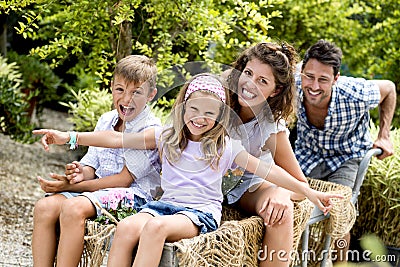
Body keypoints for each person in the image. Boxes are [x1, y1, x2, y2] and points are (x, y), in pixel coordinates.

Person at [33, 73, 342, 267]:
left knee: (155, 229)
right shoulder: (167, 137)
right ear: (182, 108)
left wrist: (308, 191)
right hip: (162, 206)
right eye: (193, 109)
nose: (200, 117)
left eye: (210, 112)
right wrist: (69, 137)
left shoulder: (226, 147)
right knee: (127, 228)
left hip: (199, 213)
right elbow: (115, 137)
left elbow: (272, 172)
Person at [31, 55, 162, 267]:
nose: (127, 99)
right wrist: (80, 172)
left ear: (151, 95)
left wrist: (75, 186)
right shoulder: (106, 119)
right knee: (44, 207)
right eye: (120, 90)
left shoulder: (151, 130)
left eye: (136, 92)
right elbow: (92, 162)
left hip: (135, 197)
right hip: (97, 191)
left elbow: (122, 181)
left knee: (73, 208)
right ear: (111, 88)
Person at [293, 39, 396, 262]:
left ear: (336, 79)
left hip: (346, 157)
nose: (314, 86)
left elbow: (389, 88)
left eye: (323, 80)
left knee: (340, 210)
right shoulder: (292, 84)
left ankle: (340, 264)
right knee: (285, 198)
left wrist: (384, 135)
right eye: (309, 76)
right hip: (307, 152)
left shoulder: (355, 93)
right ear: (302, 71)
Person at [223, 41, 309, 266]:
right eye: (248, 73)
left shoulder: (271, 128)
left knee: (281, 211)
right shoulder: (218, 99)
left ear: (276, 90)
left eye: (262, 81)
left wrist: (282, 192)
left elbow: (300, 184)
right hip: (204, 180)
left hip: (244, 186)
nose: (250, 84)